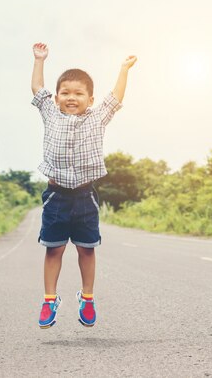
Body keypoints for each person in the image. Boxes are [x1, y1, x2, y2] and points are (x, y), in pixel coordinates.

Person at [30, 42, 137, 328]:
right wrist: (40, 60)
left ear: (90, 99)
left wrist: (123, 68)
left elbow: (115, 97)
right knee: (53, 249)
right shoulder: (50, 114)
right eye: (65, 93)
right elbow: (37, 90)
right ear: (57, 98)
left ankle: (87, 297)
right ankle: (49, 299)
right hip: (56, 196)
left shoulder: (97, 118)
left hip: (85, 196)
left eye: (78, 93)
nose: (71, 98)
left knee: (86, 249)